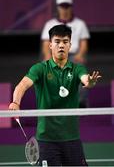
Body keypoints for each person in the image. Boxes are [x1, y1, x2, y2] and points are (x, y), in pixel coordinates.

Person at [9, 25, 101, 166]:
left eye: (65, 42)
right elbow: (22, 85)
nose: (61, 45)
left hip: (72, 138)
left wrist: (90, 82)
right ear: (50, 45)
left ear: (70, 45)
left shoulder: (77, 68)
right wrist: (15, 102)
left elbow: (86, 80)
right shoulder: (39, 69)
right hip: (47, 140)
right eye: (57, 42)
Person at [41, 0, 90, 108]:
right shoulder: (50, 24)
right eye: (62, 6)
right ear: (57, 7)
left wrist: (80, 55)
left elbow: (84, 44)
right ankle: (49, 101)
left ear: (71, 7)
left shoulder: (80, 24)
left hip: (73, 55)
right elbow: (45, 44)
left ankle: (80, 102)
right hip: (54, 56)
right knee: (43, 70)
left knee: (80, 71)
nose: (65, 9)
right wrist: (48, 56)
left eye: (67, 6)